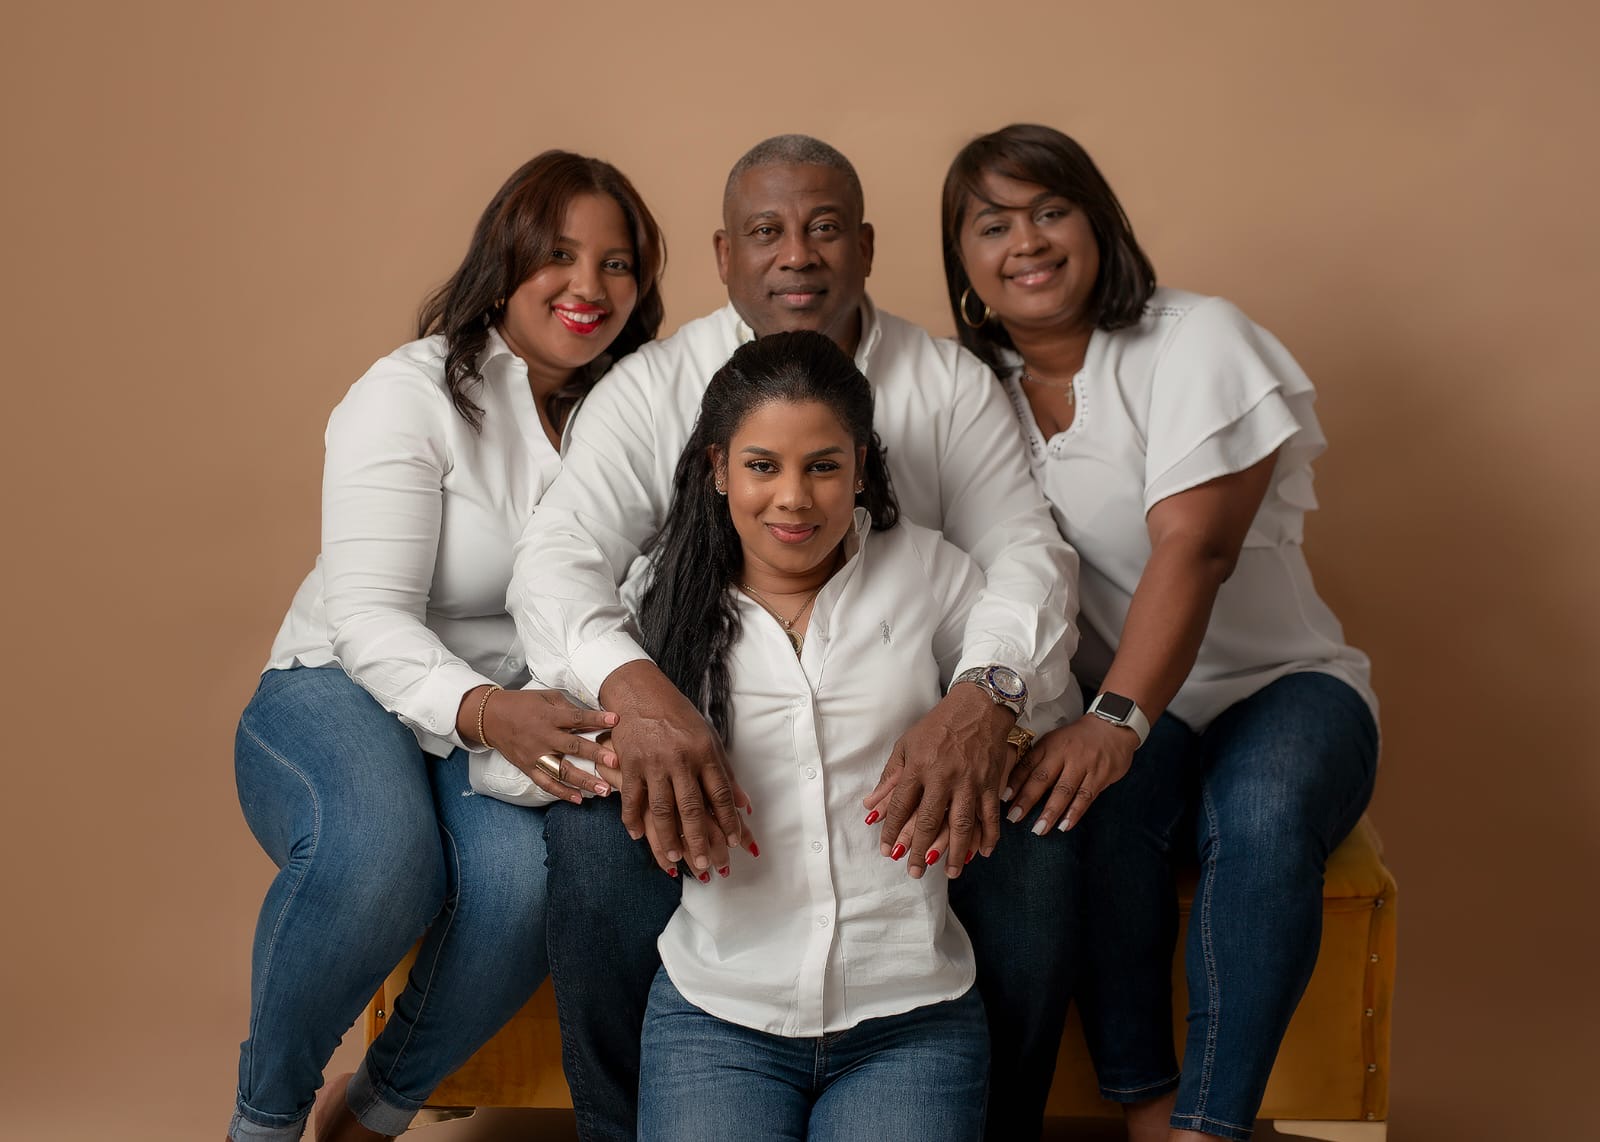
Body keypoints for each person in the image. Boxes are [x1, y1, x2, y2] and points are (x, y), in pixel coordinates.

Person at [509, 134, 1082, 1141]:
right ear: (723, 254)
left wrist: (982, 698)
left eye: (823, 229)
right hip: (702, 724)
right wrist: (641, 695)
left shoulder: (947, 387)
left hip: (922, 713)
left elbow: (1025, 556)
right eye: (766, 232)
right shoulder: (649, 389)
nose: (796, 256)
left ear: (866, 246)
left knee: (1035, 829)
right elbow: (557, 564)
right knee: (595, 833)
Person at [940, 123, 1380, 1142]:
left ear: (1098, 222)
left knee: (1261, 810)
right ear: (962, 261)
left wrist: (1115, 720)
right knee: (1075, 818)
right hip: (1132, 712)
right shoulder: (970, 397)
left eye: (1051, 211)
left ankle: (1208, 1127)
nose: (1026, 242)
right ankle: (1144, 1105)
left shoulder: (1197, 339)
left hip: (1281, 685)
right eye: (992, 225)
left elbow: (1197, 548)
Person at [228, 151, 664, 1142]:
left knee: (526, 889)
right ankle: (263, 1121)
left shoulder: (636, 415)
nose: (590, 286)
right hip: (342, 683)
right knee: (380, 855)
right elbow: (367, 617)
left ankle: (372, 1110)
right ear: (504, 261)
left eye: (618, 263)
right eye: (559, 255)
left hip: (511, 718)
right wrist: (486, 711)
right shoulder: (408, 391)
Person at [635, 330, 1069, 1139]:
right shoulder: (659, 598)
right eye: (762, 465)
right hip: (715, 1016)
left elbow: (1041, 693)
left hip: (913, 1019)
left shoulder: (930, 574)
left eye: (823, 466)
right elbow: (563, 727)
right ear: (719, 468)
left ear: (862, 466)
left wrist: (995, 734)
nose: (794, 498)